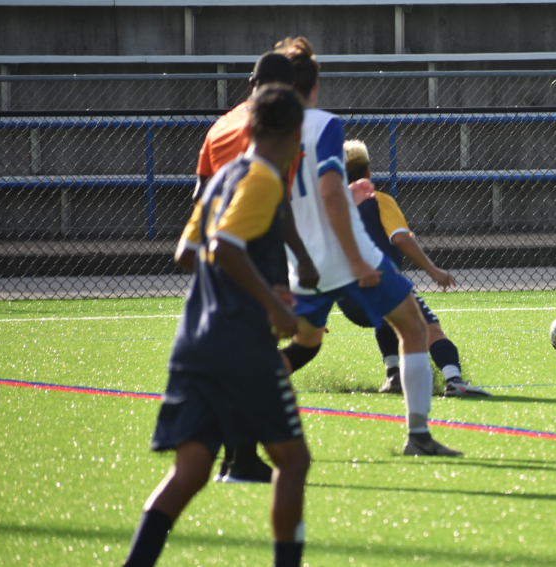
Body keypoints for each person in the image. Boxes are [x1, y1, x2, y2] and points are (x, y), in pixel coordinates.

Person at [122, 86, 310, 567]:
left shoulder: (223, 175)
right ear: (295, 133)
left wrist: (245, 286)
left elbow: (188, 253)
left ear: (249, 128)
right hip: (242, 345)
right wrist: (274, 305)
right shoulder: (266, 179)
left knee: (191, 472)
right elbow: (226, 245)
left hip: (195, 344)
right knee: (293, 461)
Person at [274, 36, 461, 457]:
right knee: (413, 327)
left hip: (305, 263)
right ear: (315, 86)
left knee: (305, 345)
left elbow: (275, 201)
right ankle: (418, 437)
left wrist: (288, 263)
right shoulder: (324, 125)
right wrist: (358, 259)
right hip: (347, 258)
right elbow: (330, 194)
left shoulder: (270, 133)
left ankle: (247, 395)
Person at [195, 51, 319, 484]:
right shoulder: (278, 124)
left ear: (251, 82)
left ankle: (235, 458)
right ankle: (241, 459)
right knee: (255, 357)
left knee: (236, 355)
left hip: (214, 254)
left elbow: (202, 196)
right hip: (254, 251)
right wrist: (299, 261)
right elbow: (277, 200)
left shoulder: (219, 127)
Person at [337, 139, 491, 397]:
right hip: (379, 281)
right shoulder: (377, 199)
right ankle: (454, 380)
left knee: (387, 316)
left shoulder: (328, 206)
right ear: (368, 171)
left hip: (346, 299)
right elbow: (400, 238)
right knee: (429, 327)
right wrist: (433, 271)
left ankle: (394, 375)